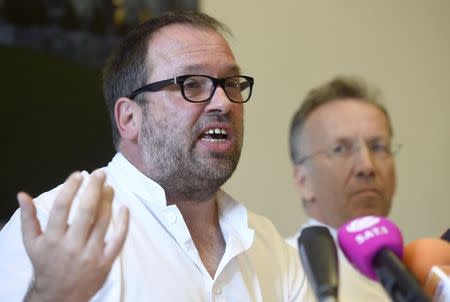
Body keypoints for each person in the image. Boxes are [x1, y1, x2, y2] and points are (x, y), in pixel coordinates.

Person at [0, 11, 314, 302]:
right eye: (191, 84)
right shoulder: (53, 230)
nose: (224, 103)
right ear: (129, 119)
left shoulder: (271, 249)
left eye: (231, 83)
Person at [286, 76, 399, 301]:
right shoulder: (285, 269)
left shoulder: (420, 271)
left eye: (378, 147)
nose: (367, 166)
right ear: (303, 181)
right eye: (340, 149)